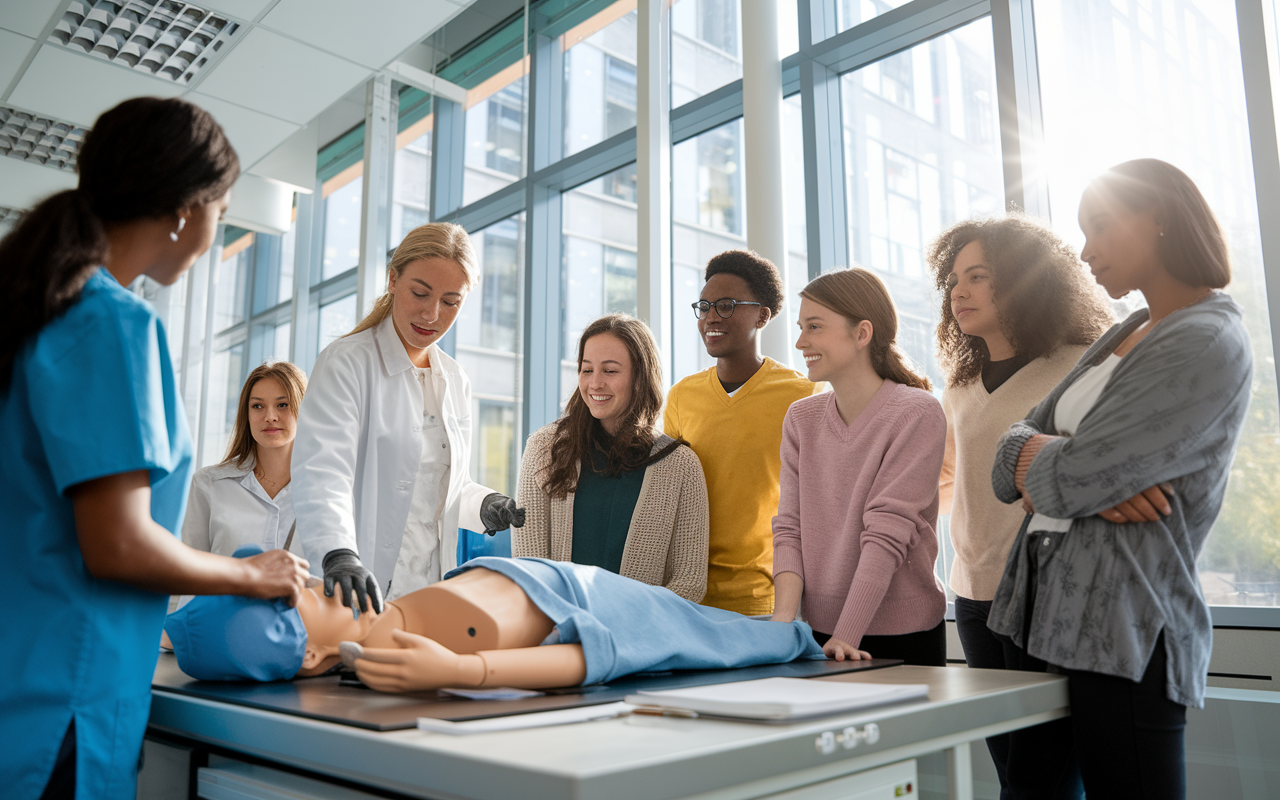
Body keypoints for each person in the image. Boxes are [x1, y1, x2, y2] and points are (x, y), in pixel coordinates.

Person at [0, 97, 310, 800]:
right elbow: (118, 544)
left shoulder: (34, 311)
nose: (213, 229)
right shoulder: (111, 321)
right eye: (220, 211)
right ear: (183, 211)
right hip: (62, 706)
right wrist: (253, 576)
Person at [990, 159, 1252, 799]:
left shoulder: (1206, 337)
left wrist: (1057, 466)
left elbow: (1079, 476)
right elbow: (1007, 454)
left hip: (1121, 626)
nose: (1087, 251)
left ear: (1160, 218)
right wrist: (1048, 460)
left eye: (1101, 226)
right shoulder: (1123, 331)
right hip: (1036, 614)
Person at [927, 216, 1111, 797]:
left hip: (1046, 594)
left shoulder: (1082, 364)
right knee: (1013, 769)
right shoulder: (959, 383)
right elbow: (947, 478)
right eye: (954, 279)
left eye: (979, 276)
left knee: (1041, 779)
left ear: (1025, 282)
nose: (960, 291)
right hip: (973, 595)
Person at [167, 551, 824, 691]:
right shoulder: (425, 646)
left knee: (742, 631)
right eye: (299, 599)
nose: (313, 583)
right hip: (606, 609)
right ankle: (797, 637)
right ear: (310, 657)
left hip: (575, 581)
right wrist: (464, 670)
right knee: (738, 638)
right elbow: (589, 655)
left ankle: (796, 635)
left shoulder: (392, 623)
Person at [292, 223, 525, 615]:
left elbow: (440, 487)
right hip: (351, 580)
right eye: (420, 293)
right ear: (393, 280)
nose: (432, 313)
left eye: (451, 301)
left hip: (426, 587)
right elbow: (322, 471)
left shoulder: (454, 378)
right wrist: (338, 552)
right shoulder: (348, 361)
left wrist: (485, 504)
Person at [771, 268, 947, 666]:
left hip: (903, 637)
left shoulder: (917, 413)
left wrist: (846, 634)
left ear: (862, 333)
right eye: (801, 327)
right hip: (818, 634)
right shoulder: (801, 417)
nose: (801, 342)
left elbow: (888, 531)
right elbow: (789, 528)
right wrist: (783, 624)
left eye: (814, 326)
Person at [513, 314, 710, 602]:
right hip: (558, 631)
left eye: (610, 371)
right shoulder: (545, 448)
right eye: (586, 369)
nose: (594, 384)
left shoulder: (681, 465)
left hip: (641, 637)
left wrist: (629, 623)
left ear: (640, 377)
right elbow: (528, 565)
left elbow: (690, 581)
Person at [664, 250, 819, 615]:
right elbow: (668, 495)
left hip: (765, 602)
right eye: (704, 307)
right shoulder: (682, 396)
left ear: (763, 315)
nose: (711, 318)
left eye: (727, 305)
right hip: (685, 595)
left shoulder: (803, 396)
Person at [183, 361, 309, 559]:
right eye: (257, 406)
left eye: (282, 405)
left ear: (304, 409)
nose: (270, 416)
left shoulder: (327, 488)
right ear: (246, 414)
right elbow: (188, 571)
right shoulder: (208, 484)